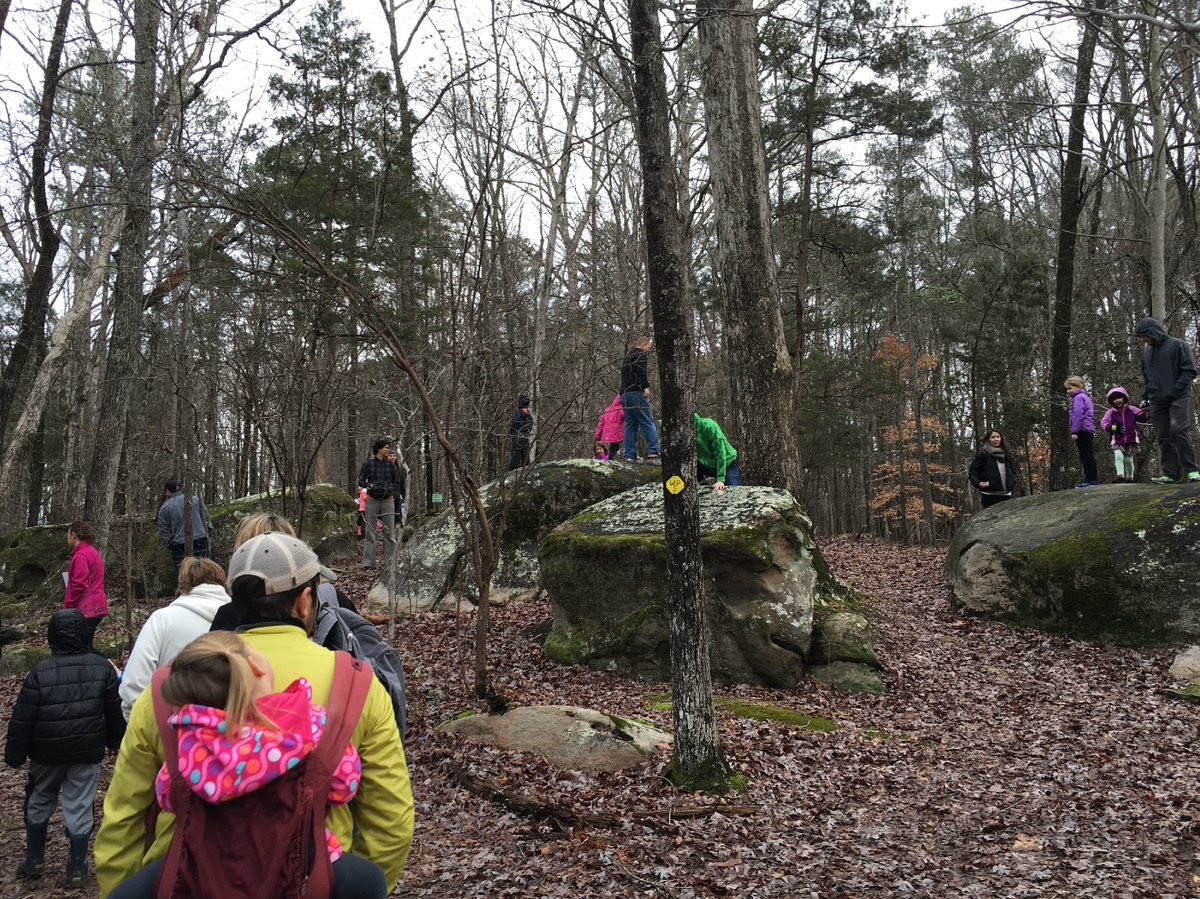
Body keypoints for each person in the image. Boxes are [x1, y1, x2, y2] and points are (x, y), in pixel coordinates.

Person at [94, 532, 413, 895]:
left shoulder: (169, 688)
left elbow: (123, 821)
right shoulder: (355, 685)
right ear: (306, 602)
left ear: (236, 600)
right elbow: (392, 823)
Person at [105, 632, 387, 899]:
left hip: (204, 868)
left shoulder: (189, 742)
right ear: (256, 666)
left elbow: (168, 797)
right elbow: (343, 788)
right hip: (294, 864)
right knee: (371, 880)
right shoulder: (309, 724)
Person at [5, 609, 125, 886]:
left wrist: (14, 756)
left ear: (52, 637)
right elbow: (113, 711)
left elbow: (23, 719)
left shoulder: (39, 673)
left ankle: (35, 858)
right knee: (80, 803)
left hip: (46, 753)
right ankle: (77, 867)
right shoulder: (102, 669)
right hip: (86, 751)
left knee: (39, 799)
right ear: (85, 635)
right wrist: (116, 742)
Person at [119, 558, 230, 719]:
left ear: (183, 583)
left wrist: (145, 729)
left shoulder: (162, 619)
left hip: (168, 727)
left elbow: (133, 685)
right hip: (228, 733)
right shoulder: (239, 618)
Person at [1135, 316, 1200, 484]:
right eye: (1140, 337)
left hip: (1178, 396)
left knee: (1178, 429)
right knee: (1163, 435)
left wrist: (1176, 389)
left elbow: (1190, 370)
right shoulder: (1147, 353)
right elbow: (1148, 379)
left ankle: (1192, 471)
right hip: (1157, 400)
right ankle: (1171, 474)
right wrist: (1145, 398)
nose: (1143, 340)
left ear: (1153, 332)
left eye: (1144, 336)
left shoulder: (1178, 345)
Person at [64, 520, 108, 650]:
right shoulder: (92, 551)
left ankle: (112, 669)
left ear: (74, 535)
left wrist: (69, 607)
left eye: (68, 534)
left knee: (83, 649)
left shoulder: (81, 556)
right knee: (85, 647)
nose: (67, 538)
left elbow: (79, 585)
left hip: (87, 609)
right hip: (95, 607)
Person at [356, 439, 399, 571]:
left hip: (388, 501)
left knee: (390, 533)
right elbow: (361, 481)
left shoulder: (391, 466)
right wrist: (371, 485)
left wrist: (390, 490)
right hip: (371, 500)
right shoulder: (369, 464)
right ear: (379, 449)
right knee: (370, 532)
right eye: (386, 447)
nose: (388, 450)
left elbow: (396, 482)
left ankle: (390, 563)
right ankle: (369, 563)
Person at [156, 480, 212, 577]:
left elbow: (164, 531)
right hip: (202, 540)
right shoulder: (195, 500)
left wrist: (171, 545)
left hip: (180, 545)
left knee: (184, 578)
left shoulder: (165, 508)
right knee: (207, 575)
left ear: (167, 491)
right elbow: (206, 519)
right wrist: (208, 534)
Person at [619, 336, 661, 463]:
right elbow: (641, 370)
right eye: (648, 347)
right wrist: (645, 386)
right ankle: (654, 452)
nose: (649, 350)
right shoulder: (639, 354)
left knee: (630, 425)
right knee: (647, 421)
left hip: (625, 394)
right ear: (643, 344)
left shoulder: (627, 357)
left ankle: (629, 455)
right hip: (636, 392)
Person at [1100, 386, 1148, 483]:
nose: (1117, 400)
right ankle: (1120, 476)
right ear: (1111, 401)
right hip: (1117, 439)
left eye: (1119, 397)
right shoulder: (1110, 413)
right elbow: (1103, 423)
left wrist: (1146, 411)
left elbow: (1142, 417)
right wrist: (1114, 428)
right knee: (1118, 456)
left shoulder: (1131, 409)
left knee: (1128, 460)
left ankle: (1129, 477)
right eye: (1114, 399)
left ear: (1124, 398)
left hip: (1131, 439)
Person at [968, 429, 1018, 509]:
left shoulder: (1007, 454)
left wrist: (1013, 481)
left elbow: (1013, 471)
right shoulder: (983, 454)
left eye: (998, 437)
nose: (996, 439)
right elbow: (973, 472)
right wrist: (978, 483)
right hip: (989, 494)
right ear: (988, 439)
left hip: (1006, 493)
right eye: (993, 437)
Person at [694, 413, 742, 491]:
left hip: (727, 464)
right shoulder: (682, 433)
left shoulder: (709, 426)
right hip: (705, 466)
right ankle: (702, 483)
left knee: (735, 490)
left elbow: (720, 453)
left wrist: (720, 479)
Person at [1065, 376, 1098, 488]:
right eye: (1067, 389)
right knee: (1088, 454)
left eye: (1070, 388)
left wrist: (1074, 431)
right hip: (1087, 429)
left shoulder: (1078, 398)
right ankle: (1092, 478)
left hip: (1082, 429)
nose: (1068, 391)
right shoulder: (1085, 397)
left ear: (1079, 386)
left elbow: (1077, 415)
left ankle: (1091, 479)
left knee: (1086, 455)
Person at [594, 395, 624, 461]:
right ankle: (609, 459)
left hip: (607, 433)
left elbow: (601, 424)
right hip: (616, 431)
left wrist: (597, 436)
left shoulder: (607, 410)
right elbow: (625, 416)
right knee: (615, 446)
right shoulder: (620, 409)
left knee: (613, 446)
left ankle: (607, 458)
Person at [508, 394, 533, 471]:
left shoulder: (519, 412)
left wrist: (512, 430)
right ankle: (526, 472)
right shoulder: (528, 413)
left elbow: (515, 423)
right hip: (525, 436)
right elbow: (530, 425)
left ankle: (512, 474)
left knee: (515, 456)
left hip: (518, 435)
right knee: (525, 457)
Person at [388, 447, 408, 526]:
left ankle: (398, 525)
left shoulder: (399, 469)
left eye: (394, 456)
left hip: (396, 494)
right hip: (387, 494)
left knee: (397, 510)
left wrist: (403, 494)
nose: (392, 457)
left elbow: (402, 482)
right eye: (391, 456)